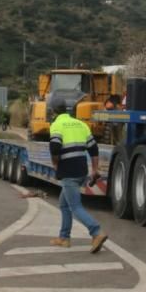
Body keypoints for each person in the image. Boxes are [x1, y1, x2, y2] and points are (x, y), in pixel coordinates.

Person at [47, 96, 108, 253]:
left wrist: (55, 165)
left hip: (69, 171)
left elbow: (54, 148)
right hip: (81, 170)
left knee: (75, 206)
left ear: (53, 111)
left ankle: (96, 232)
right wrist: (94, 169)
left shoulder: (56, 125)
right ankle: (64, 238)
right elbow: (93, 149)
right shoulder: (81, 124)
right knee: (64, 203)